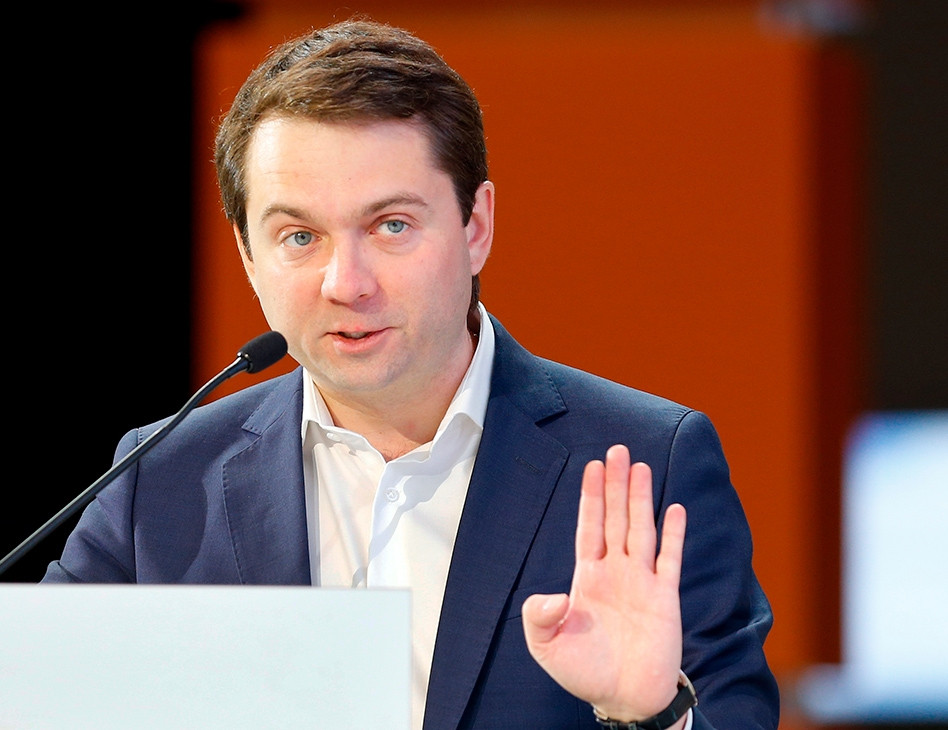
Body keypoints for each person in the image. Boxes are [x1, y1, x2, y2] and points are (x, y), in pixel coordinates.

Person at [43, 18, 779, 729]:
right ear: (247, 255)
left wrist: (652, 717)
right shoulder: (160, 479)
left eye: (391, 225)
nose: (347, 283)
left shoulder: (647, 461)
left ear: (475, 226)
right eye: (298, 236)